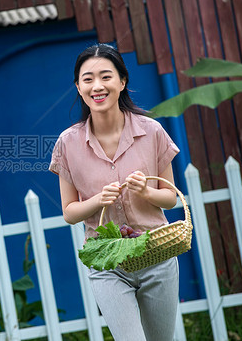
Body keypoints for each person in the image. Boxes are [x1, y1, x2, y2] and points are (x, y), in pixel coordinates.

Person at [49, 43, 180, 340]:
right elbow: (69, 212)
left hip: (156, 254)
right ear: (78, 87)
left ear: (122, 82)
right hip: (106, 262)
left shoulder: (152, 131)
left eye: (106, 76)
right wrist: (97, 200)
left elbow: (170, 198)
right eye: (88, 79)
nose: (98, 86)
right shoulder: (67, 143)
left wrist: (146, 192)